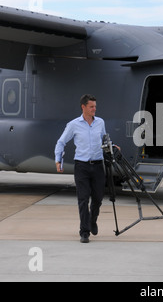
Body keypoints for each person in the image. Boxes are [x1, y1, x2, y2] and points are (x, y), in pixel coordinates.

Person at [55, 94, 107, 243]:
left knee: (97, 198)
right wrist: (58, 160)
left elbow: (104, 139)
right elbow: (61, 142)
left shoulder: (100, 122)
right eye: (91, 107)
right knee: (83, 199)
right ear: (83, 107)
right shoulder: (74, 125)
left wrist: (112, 146)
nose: (94, 109)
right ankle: (84, 232)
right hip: (82, 166)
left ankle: (92, 220)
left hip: (98, 165)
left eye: (95, 106)